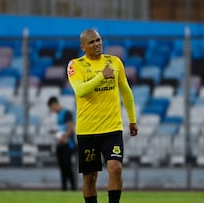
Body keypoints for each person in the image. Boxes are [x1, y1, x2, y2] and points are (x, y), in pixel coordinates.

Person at [67, 29, 138, 203]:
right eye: (91, 42)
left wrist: (132, 120)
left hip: (112, 127)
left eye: (98, 40)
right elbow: (80, 90)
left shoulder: (114, 62)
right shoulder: (75, 65)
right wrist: (101, 76)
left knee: (115, 168)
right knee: (90, 176)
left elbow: (126, 92)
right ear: (83, 47)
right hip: (88, 130)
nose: (97, 44)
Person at [47, 96, 77, 191]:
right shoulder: (59, 115)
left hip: (67, 144)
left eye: (51, 108)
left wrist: (65, 137)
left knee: (67, 166)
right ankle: (64, 188)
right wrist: (54, 131)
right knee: (62, 167)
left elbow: (70, 128)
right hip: (60, 144)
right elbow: (61, 129)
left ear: (54, 104)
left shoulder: (66, 113)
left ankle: (72, 188)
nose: (52, 110)